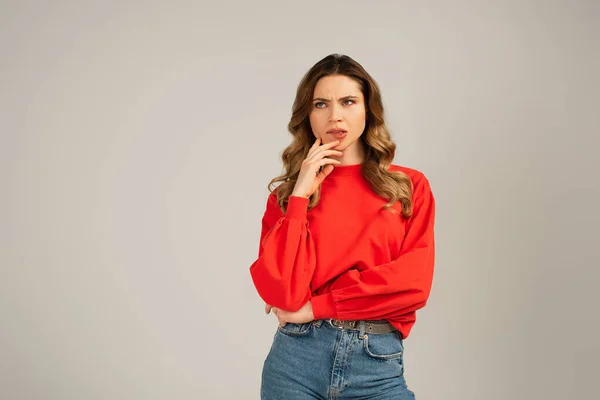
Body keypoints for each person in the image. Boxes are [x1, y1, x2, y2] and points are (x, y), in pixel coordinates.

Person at [249, 53, 436, 399]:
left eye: (348, 101)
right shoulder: (286, 197)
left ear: (368, 109)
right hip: (295, 365)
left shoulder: (409, 187)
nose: (335, 115)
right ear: (308, 115)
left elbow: (412, 284)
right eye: (321, 104)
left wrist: (315, 307)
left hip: (376, 367)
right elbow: (281, 292)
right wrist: (301, 196)